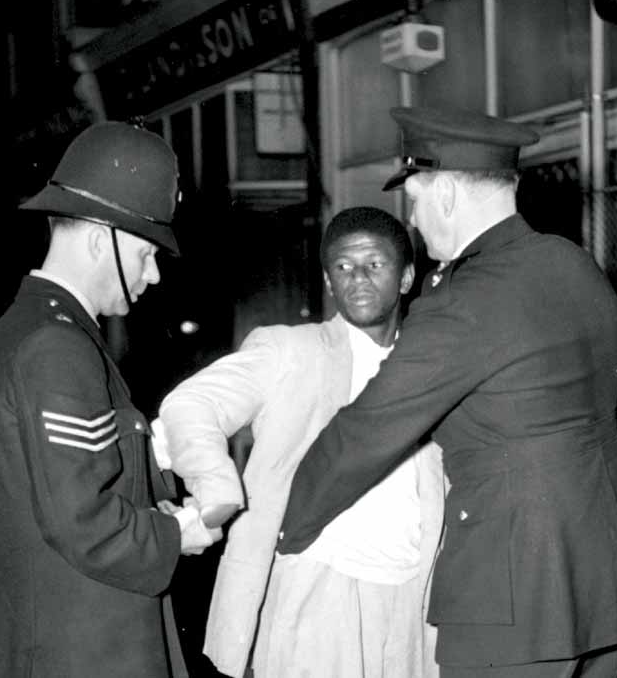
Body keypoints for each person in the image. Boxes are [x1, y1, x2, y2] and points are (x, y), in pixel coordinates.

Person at [277, 106, 617, 677]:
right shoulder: (572, 262)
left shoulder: (463, 302)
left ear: (444, 195)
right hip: (609, 560)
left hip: (516, 579)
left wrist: (286, 524)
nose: (414, 220)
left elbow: (366, 431)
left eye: (414, 201)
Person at [0, 121, 222, 678]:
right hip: (80, 653)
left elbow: (70, 482)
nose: (152, 275)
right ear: (100, 237)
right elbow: (84, 521)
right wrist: (180, 534)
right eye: (146, 253)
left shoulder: (34, 331)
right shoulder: (56, 345)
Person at [153, 206, 445, 678]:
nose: (358, 279)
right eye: (343, 268)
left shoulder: (433, 366)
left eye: (375, 264)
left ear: (408, 276)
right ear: (329, 282)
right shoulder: (290, 351)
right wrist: (218, 493)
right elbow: (190, 406)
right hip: (317, 593)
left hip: (413, 597)